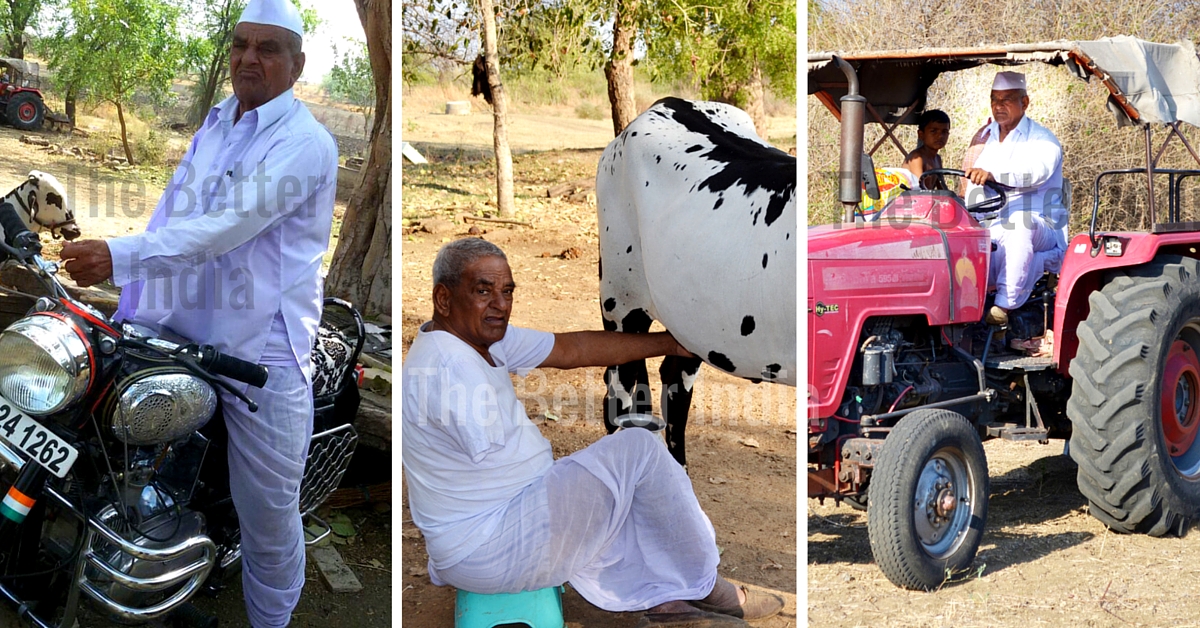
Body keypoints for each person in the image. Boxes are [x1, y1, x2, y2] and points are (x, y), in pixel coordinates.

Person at [56, 0, 338, 625]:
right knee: (96, 422)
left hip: (258, 349)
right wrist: (131, 301)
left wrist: (119, 256)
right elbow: (175, 217)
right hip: (176, 319)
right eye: (241, 45)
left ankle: (270, 619)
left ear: (297, 63)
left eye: (268, 48)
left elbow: (226, 229)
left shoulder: (305, 143)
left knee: (269, 511)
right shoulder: (217, 121)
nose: (249, 59)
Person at [402, 238, 785, 627]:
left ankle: (668, 604)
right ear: (444, 299)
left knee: (616, 477)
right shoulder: (451, 371)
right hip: (491, 547)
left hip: (494, 527)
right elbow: (522, 477)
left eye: (507, 291)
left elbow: (573, 349)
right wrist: (596, 489)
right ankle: (704, 589)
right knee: (635, 450)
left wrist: (670, 343)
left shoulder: (471, 339)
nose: (500, 305)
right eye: (483, 291)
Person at [962, 71, 1066, 326]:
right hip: (992, 222)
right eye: (994, 99)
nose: (998, 106)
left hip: (1042, 225)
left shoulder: (1043, 140)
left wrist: (993, 174)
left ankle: (1002, 309)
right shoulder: (985, 137)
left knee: (1019, 224)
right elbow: (971, 180)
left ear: (1025, 103)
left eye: (1006, 99)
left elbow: (1034, 173)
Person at [901, 109, 950, 189]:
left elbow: (941, 188)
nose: (940, 136)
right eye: (933, 131)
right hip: (913, 200)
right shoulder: (917, 158)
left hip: (928, 199)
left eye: (944, 132)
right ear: (921, 134)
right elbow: (919, 188)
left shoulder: (937, 159)